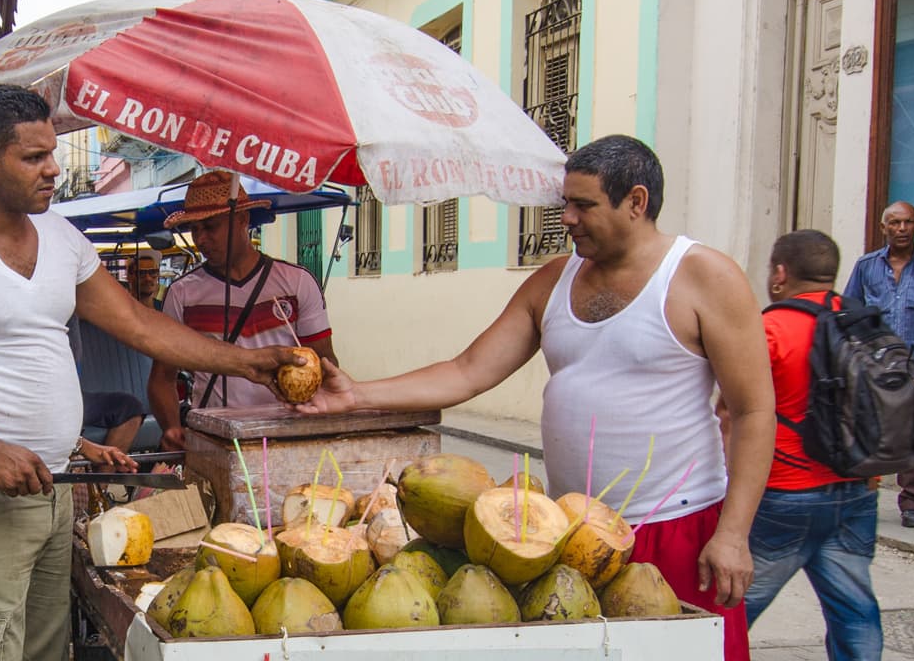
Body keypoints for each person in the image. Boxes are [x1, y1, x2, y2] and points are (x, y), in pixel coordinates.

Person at [297, 135, 775, 661]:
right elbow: (467, 371)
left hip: (677, 524)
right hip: (567, 535)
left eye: (583, 204)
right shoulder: (552, 281)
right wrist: (357, 396)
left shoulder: (704, 276)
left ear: (636, 202)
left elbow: (752, 411)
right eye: (564, 203)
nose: (566, 217)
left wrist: (733, 533)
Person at [0, 85, 300, 660]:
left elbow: (139, 325)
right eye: (33, 158)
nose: (53, 169)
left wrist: (252, 361)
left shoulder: (61, 238)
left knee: (48, 649)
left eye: (52, 153)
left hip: (53, 490)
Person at [734, 230, 882, 660]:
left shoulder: (769, 329)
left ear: (780, 273)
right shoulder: (863, 322)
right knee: (855, 612)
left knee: (734, 606)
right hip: (855, 492)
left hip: (784, 494)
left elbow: (733, 409)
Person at [147, 170, 338, 451]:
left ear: (242, 219)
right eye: (194, 229)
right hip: (213, 437)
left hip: (286, 434)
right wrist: (172, 427)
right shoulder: (182, 293)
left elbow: (325, 363)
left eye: (210, 226)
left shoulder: (296, 282)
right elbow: (161, 378)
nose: (201, 239)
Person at [843, 200, 914, 529]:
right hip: (875, 365)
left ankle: (912, 502)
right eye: (896, 223)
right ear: (883, 227)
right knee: (870, 430)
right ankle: (862, 497)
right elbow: (850, 312)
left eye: (909, 223)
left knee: (912, 433)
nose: (902, 229)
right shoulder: (866, 266)